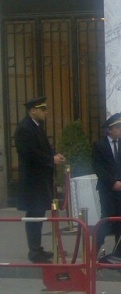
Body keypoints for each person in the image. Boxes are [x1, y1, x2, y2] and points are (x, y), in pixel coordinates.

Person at [14, 96, 66, 263]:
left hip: (40, 181)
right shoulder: (24, 129)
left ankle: (37, 249)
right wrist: (51, 160)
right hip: (33, 182)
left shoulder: (36, 126)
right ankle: (34, 252)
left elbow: (44, 148)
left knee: (38, 216)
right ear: (32, 111)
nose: (46, 113)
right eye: (42, 109)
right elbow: (30, 154)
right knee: (34, 216)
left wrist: (54, 154)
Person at [92, 114, 121, 251]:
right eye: (117, 127)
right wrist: (112, 182)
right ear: (109, 130)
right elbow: (98, 167)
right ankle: (95, 250)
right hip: (107, 190)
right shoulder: (99, 145)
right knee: (106, 219)